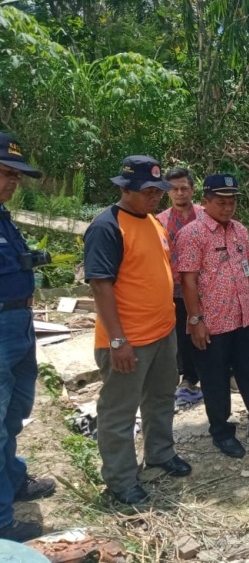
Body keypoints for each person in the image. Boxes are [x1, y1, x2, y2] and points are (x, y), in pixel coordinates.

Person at [84, 156, 192, 505]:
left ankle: (160, 452)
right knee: (119, 411)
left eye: (158, 190)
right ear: (125, 188)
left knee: (161, 399)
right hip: (128, 340)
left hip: (162, 334)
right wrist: (117, 340)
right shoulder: (107, 227)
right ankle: (120, 479)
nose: (156, 197)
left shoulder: (153, 223)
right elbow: (100, 286)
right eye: (148, 190)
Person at [176, 174, 249, 459]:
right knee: (215, 380)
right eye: (221, 201)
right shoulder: (192, 234)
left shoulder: (240, 231)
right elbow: (188, 281)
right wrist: (195, 321)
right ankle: (222, 432)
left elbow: (247, 267)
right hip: (211, 324)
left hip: (244, 319)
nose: (227, 207)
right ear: (205, 202)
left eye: (232, 201)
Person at [0, 133, 56, 541]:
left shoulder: (2, 215)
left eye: (15, 177)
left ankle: (13, 482)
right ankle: (2, 521)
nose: (11, 183)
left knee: (15, 413)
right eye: (5, 174)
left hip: (18, 323)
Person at [156, 167, 203, 393]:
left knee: (209, 328)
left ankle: (219, 371)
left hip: (205, 285)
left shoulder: (206, 216)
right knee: (181, 333)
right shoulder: (159, 222)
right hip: (174, 287)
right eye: (175, 189)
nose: (180, 193)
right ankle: (187, 375)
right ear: (168, 192)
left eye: (184, 188)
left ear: (193, 190)